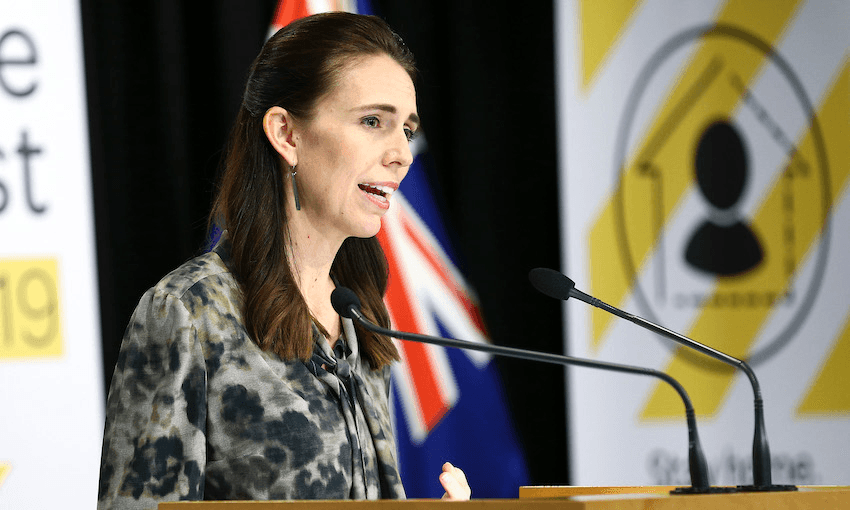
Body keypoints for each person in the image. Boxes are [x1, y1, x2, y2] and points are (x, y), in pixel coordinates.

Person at [97, 12, 471, 508]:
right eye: (372, 121)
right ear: (286, 134)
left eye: (407, 128)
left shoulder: (361, 319)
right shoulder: (188, 314)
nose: (401, 151)